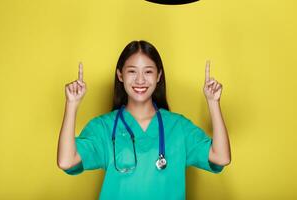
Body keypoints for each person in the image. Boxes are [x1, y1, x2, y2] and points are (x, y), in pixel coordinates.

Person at [57, 40, 231, 199]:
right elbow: (66, 161)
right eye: (132, 71)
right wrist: (72, 105)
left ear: (158, 76)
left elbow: (221, 157)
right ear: (120, 75)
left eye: (148, 71)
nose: (140, 80)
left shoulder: (178, 126)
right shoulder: (103, 127)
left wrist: (213, 102)